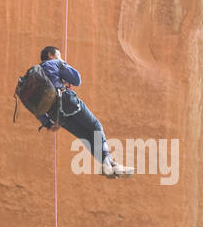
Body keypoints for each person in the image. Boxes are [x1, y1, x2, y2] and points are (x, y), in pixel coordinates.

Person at [38, 46, 133, 176]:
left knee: (87, 137)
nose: (60, 58)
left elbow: (35, 105)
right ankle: (107, 164)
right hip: (67, 102)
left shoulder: (34, 76)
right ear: (50, 54)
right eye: (58, 55)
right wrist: (63, 63)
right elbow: (77, 79)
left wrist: (47, 123)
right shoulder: (54, 63)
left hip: (55, 114)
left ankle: (110, 164)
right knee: (95, 126)